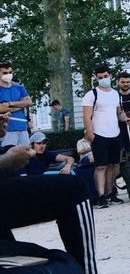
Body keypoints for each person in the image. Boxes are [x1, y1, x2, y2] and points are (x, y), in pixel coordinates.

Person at [0, 115, 98, 273]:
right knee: (74, 189)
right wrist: (5, 160)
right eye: (39, 143)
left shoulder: (46, 154)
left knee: (72, 187)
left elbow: (69, 158)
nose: (42, 146)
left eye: (44, 143)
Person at [82, 65, 130, 207]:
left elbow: (119, 112)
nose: (103, 79)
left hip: (114, 134)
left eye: (105, 76)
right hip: (99, 135)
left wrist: (125, 118)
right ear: (96, 78)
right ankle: (101, 196)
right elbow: (86, 116)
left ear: (110, 75)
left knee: (114, 165)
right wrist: (90, 133)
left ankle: (110, 193)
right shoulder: (91, 94)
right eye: (100, 77)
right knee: (100, 166)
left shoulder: (115, 94)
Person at [0, 62, 32, 146]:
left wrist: (9, 104)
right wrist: (21, 105)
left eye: (10, 72)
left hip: (22, 127)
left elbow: (29, 102)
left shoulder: (19, 87)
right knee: (8, 157)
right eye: (5, 73)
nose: (8, 75)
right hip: (6, 130)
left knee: (25, 156)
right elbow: (1, 109)